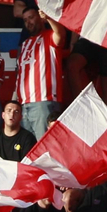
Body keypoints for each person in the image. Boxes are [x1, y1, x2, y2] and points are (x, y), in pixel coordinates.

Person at [14, 8, 66, 138]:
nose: (28, 22)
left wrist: (49, 17)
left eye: (31, 17)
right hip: (24, 105)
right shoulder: (25, 44)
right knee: (28, 151)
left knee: (44, 150)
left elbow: (60, 34)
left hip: (44, 102)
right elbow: (19, 76)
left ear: (40, 18)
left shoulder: (49, 36)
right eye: (25, 20)